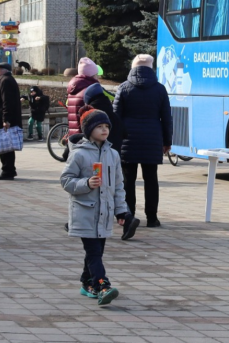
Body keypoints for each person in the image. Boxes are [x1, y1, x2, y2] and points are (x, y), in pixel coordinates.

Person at [60, 109, 137, 305]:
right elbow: (66, 181)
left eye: (106, 127)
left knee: (96, 252)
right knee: (94, 252)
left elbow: (119, 186)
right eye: (99, 127)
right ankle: (103, 286)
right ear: (88, 130)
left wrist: (122, 211)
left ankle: (87, 283)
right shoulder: (79, 154)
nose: (104, 130)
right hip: (85, 212)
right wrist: (86, 183)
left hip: (105, 213)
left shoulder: (113, 154)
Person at [114, 54, 172, 228]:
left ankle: (129, 216)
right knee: (151, 179)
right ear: (151, 67)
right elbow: (166, 118)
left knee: (127, 180)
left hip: (127, 140)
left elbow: (116, 117)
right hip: (152, 140)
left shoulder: (123, 88)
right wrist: (167, 141)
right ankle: (152, 218)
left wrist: (116, 141)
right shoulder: (160, 89)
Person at [0, 61, 22, 180]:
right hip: (0, 119)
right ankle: (8, 170)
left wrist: (6, 119)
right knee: (5, 147)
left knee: (5, 147)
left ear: (6, 71)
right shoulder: (3, 81)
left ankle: (8, 171)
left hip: (2, 120)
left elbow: (7, 102)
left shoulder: (5, 81)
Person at [67, 57, 100, 136]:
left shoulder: (72, 89)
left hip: (73, 135)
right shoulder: (91, 90)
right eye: (96, 74)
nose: (98, 77)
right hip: (86, 136)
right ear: (92, 75)